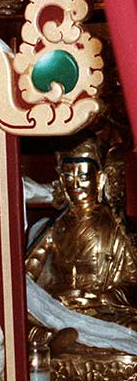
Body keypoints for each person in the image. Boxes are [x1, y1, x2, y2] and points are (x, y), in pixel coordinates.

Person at [26, 136, 137, 327]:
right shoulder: (55, 226)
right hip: (59, 309)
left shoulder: (114, 225)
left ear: (100, 179)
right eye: (69, 177)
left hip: (102, 310)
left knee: (129, 332)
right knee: (34, 333)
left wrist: (99, 298)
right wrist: (53, 302)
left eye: (84, 177)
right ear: (61, 179)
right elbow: (28, 275)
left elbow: (132, 281)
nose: (76, 185)